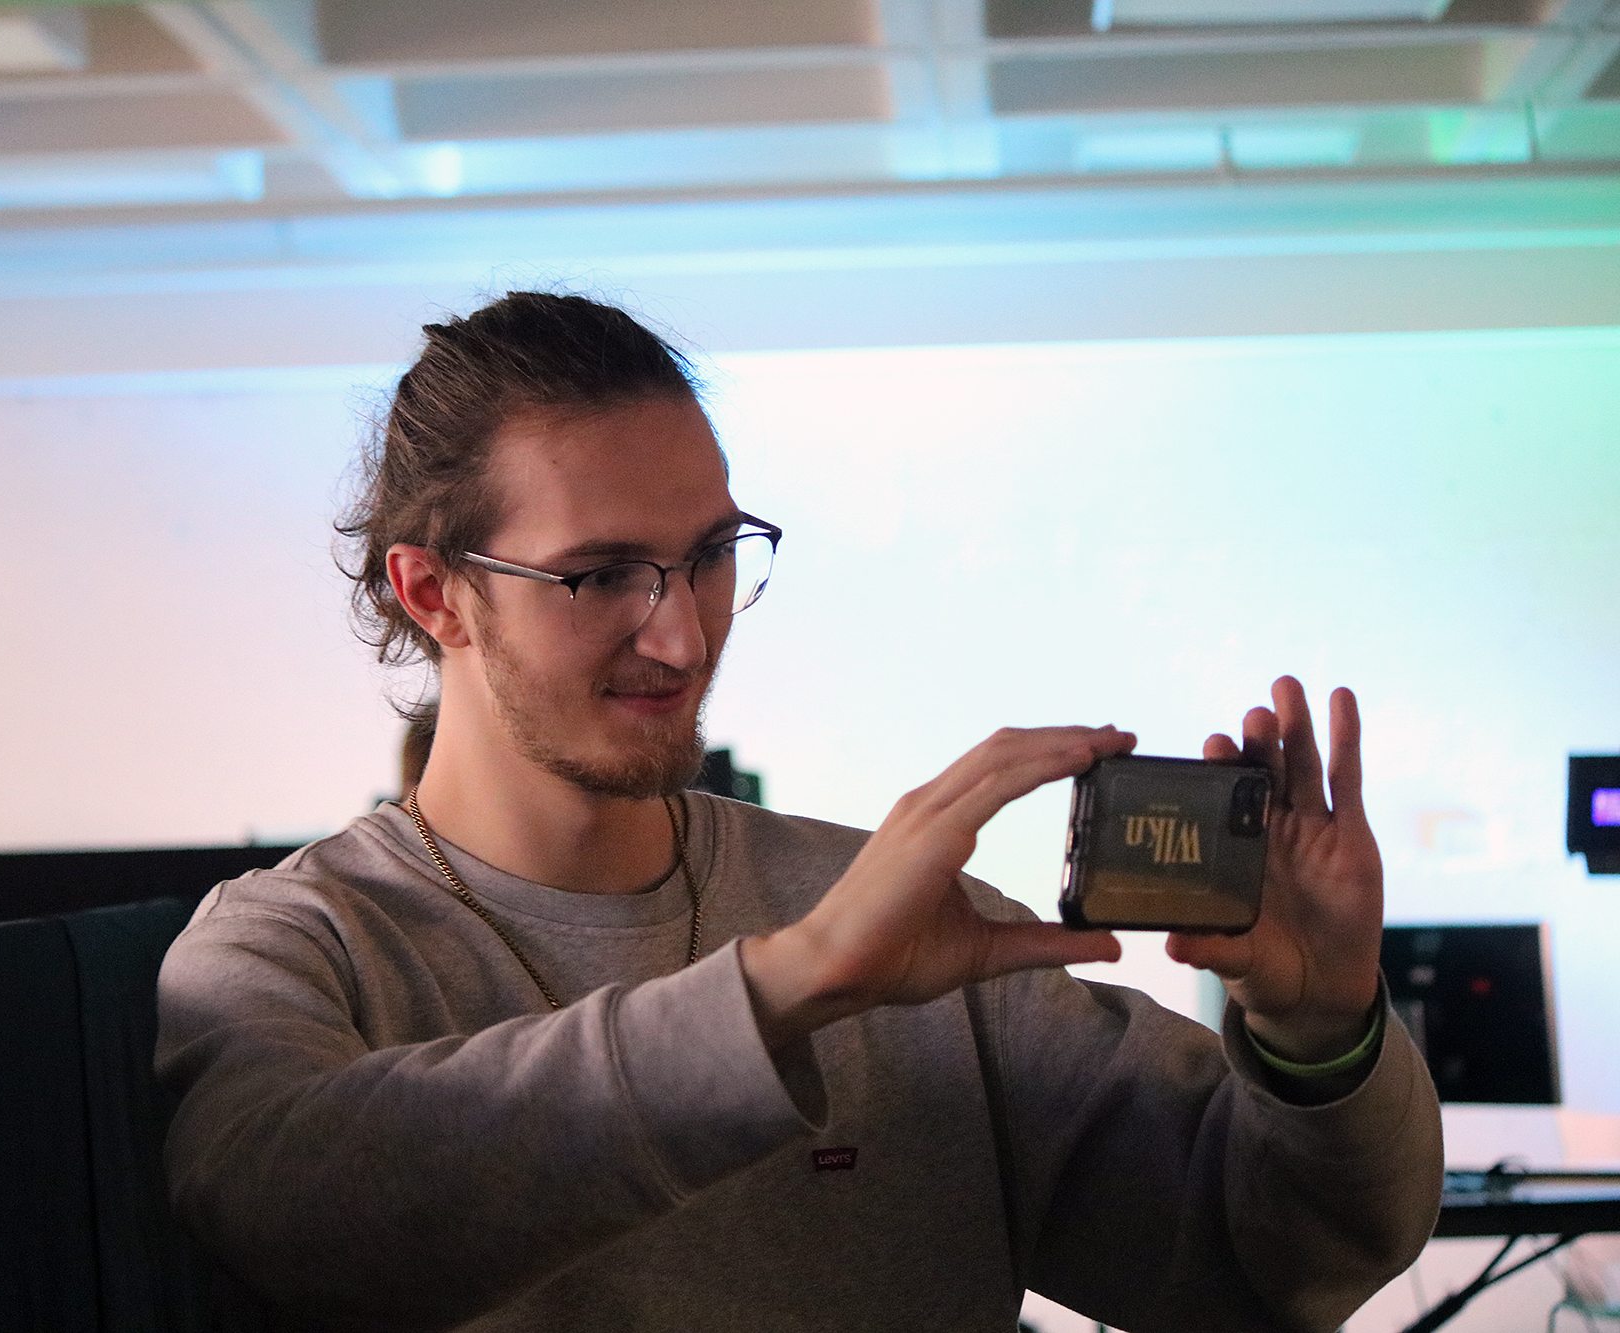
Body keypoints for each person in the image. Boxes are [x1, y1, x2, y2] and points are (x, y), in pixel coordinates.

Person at [156, 292, 1443, 1332]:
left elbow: (1268, 1270)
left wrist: (1319, 1035)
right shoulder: (292, 945)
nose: (681, 633)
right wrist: (786, 990)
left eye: (711, 554)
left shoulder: (903, 932)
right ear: (433, 592)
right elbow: (290, 1229)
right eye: (600, 575)